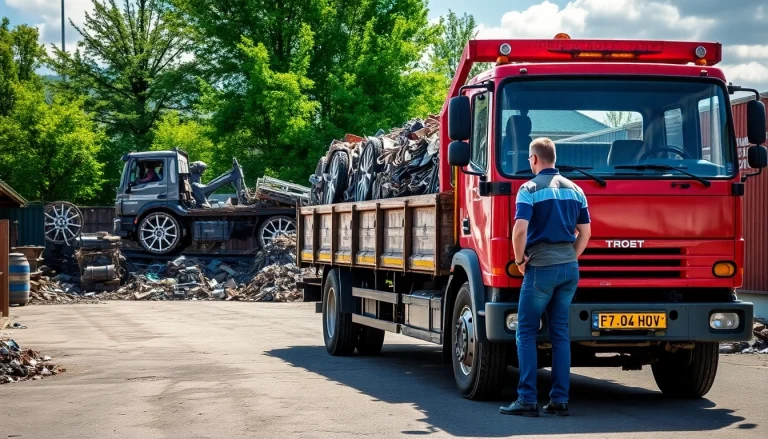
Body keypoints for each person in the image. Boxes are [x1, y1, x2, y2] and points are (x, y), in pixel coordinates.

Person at [499, 137, 592, 417]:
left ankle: (527, 399)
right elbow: (586, 233)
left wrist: (519, 261)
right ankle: (559, 400)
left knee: (526, 331)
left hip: (541, 266)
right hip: (569, 268)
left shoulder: (529, 189)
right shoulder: (576, 190)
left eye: (529, 159)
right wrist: (571, 258)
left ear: (535, 159)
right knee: (561, 334)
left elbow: (519, 231)